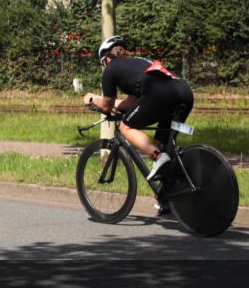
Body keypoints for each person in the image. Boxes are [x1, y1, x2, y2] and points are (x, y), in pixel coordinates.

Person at [82, 35, 194, 216]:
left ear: (106, 58)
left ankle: (158, 157)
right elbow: (131, 104)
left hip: (159, 94)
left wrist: (91, 99)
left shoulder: (110, 70)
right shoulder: (137, 64)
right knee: (162, 145)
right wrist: (116, 105)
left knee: (125, 127)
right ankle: (169, 198)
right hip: (183, 93)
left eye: (103, 62)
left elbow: (106, 105)